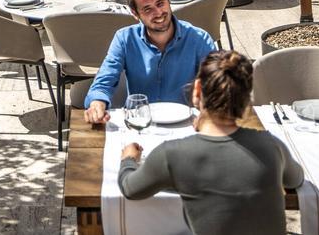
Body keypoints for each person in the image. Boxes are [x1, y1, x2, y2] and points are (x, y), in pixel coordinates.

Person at [118, 51, 303, 235]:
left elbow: (130, 189)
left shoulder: (172, 154)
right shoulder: (271, 145)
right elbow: (296, 178)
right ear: (247, 98)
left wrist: (128, 159)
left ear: (197, 90)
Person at [84, 0, 217, 124]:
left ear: (168, 1)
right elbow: (103, 82)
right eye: (148, 9)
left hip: (187, 124)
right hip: (141, 124)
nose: (158, 13)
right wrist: (97, 103)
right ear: (135, 14)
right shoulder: (124, 38)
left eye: (161, 3)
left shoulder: (199, 38)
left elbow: (216, 85)